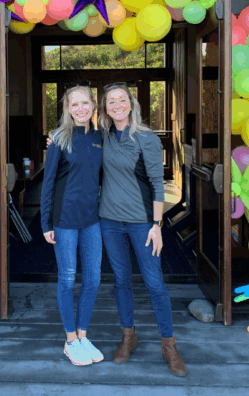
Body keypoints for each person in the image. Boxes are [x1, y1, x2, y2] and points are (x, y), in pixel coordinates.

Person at [96, 82, 187, 377]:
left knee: (154, 283)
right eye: (111, 101)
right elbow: (76, 141)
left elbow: (158, 185)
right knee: (121, 279)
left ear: (131, 103)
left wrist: (157, 225)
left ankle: (169, 345)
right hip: (109, 221)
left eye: (122, 99)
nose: (117, 105)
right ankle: (128, 337)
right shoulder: (103, 136)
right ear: (106, 108)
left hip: (141, 223)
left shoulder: (146, 138)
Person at [40, 85, 104, 367]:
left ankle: (82, 335)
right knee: (67, 278)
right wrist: (45, 223)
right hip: (64, 220)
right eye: (74, 104)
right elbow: (48, 184)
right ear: (67, 109)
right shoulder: (60, 139)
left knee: (93, 279)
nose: (80, 108)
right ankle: (69, 341)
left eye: (85, 103)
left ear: (93, 105)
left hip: (92, 219)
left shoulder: (102, 137)